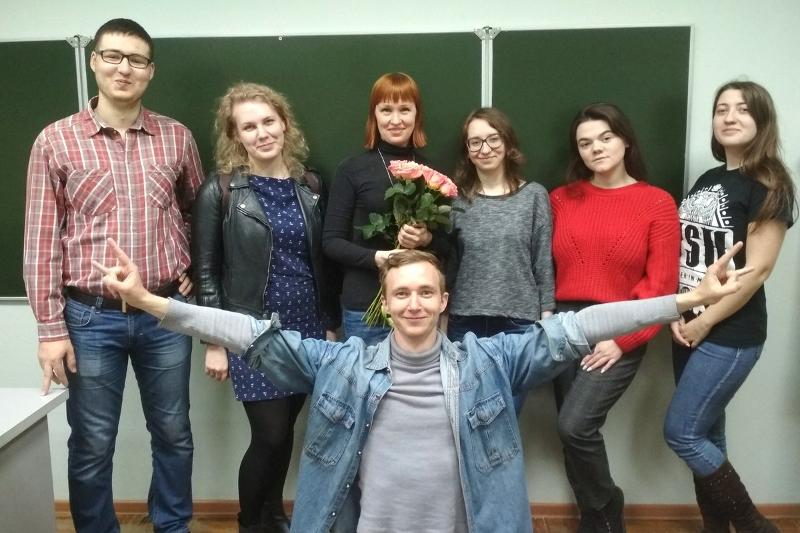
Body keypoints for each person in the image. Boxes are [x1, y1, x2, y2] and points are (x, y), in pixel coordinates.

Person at [95, 239, 748, 533]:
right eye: (401, 292)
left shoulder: (491, 362)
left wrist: (686, 299)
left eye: (425, 292)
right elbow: (247, 333)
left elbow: (581, 328)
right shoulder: (340, 364)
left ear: (443, 301)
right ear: (386, 302)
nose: (413, 303)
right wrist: (151, 302)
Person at [22, 19, 203, 533]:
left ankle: (172, 526)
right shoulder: (55, 141)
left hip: (163, 314)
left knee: (174, 434)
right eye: (113, 56)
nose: (125, 68)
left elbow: (199, 210)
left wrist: (190, 265)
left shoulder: (177, 138)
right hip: (88, 318)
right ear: (94, 61)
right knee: (92, 441)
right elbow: (40, 240)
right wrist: (50, 329)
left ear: (151, 70)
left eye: (137, 60)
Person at [191, 82, 338, 532]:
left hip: (306, 327)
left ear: (284, 124)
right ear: (236, 136)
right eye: (249, 126)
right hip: (251, 331)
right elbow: (206, 271)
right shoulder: (220, 190)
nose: (262, 133)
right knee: (270, 435)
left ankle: (273, 515)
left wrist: (329, 324)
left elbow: (324, 262)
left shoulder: (311, 185)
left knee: (285, 432)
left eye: (268, 122)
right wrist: (215, 342)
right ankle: (251, 523)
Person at [663, 81, 796, 533]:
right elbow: (688, 255)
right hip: (687, 325)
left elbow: (757, 271)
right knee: (707, 434)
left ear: (762, 120)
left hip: (730, 333)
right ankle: (716, 528)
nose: (729, 117)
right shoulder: (710, 178)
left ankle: (755, 525)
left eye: (742, 109)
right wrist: (679, 313)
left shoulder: (770, 183)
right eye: (722, 109)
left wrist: (704, 323)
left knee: (682, 432)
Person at [549, 103, 680, 531]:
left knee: (575, 426)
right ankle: (598, 522)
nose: (596, 148)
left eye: (605, 138)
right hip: (564, 326)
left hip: (621, 324)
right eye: (585, 143)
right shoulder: (560, 199)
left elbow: (660, 287)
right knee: (569, 435)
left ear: (625, 141)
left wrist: (622, 340)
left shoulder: (656, 203)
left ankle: (608, 509)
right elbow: (542, 266)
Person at [447, 107, 554, 414]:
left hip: (518, 324)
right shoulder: (456, 200)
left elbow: (543, 260)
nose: (485, 149)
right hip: (465, 322)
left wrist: (546, 319)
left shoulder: (534, 196)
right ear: (467, 151)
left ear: (507, 143)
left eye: (493, 139)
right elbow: (449, 265)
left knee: (504, 417)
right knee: (466, 416)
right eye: (475, 142)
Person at [323, 72, 437, 345]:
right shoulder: (352, 169)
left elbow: (448, 245)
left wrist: (426, 238)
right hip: (365, 310)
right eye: (386, 110)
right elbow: (331, 242)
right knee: (368, 375)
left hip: (417, 308)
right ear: (374, 116)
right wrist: (377, 258)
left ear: (416, 115)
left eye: (404, 110)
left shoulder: (432, 174)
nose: (396, 120)